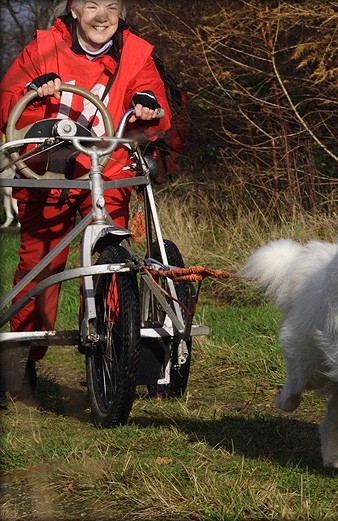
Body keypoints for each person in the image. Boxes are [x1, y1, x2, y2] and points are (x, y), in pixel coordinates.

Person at [0, 0, 172, 397]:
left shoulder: (137, 54)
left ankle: (114, 347)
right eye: (91, 4)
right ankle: (23, 358)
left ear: (122, 11)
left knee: (114, 261)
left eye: (111, 5)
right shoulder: (41, 48)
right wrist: (35, 91)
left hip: (105, 169)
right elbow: (8, 102)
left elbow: (158, 114)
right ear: (74, 9)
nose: (101, 15)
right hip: (48, 169)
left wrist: (147, 107)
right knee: (38, 265)